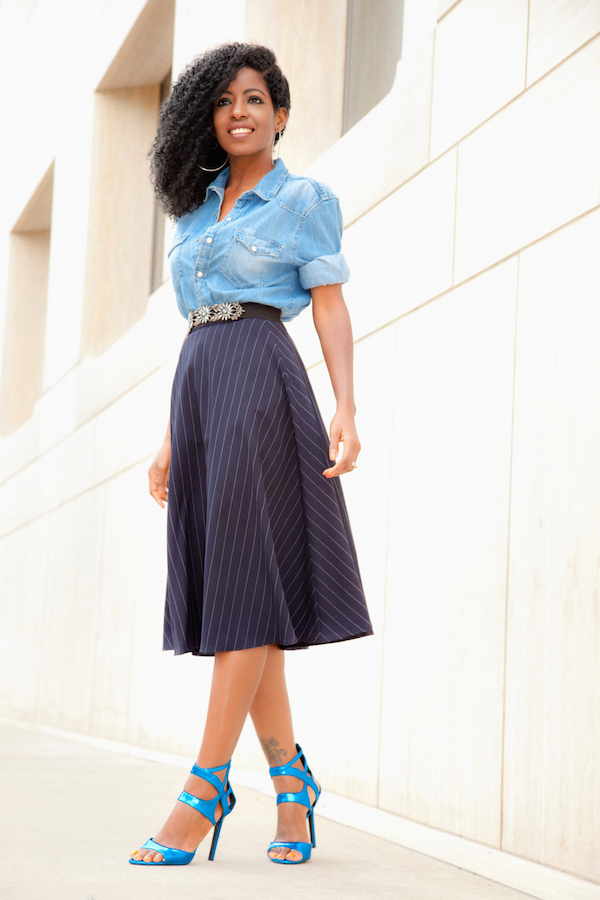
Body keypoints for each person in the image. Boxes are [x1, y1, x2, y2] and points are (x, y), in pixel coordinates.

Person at [129, 42, 373, 868]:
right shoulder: (194, 207)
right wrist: (169, 433)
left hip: (264, 384)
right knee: (248, 583)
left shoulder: (305, 199)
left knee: (244, 580)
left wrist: (345, 404)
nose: (240, 111)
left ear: (281, 114)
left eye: (256, 99)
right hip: (201, 389)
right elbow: (196, 322)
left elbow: (330, 306)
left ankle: (205, 785)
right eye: (226, 100)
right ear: (211, 115)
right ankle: (291, 785)